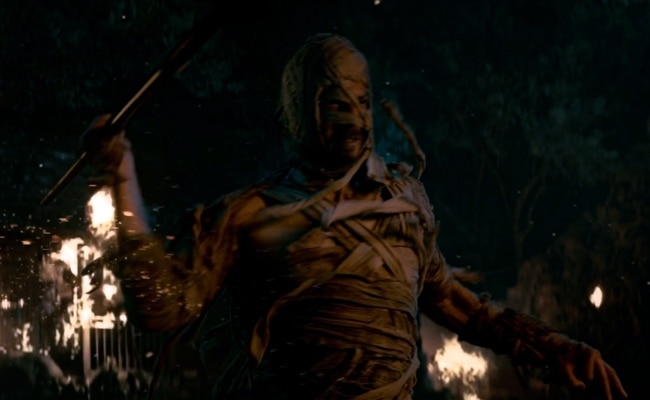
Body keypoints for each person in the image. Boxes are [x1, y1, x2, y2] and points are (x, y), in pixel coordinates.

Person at [83, 33, 627, 399]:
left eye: (359, 99)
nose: (349, 114)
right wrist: (122, 177)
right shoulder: (252, 215)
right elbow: (162, 304)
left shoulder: (405, 209)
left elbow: (463, 308)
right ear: (299, 110)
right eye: (332, 100)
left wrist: (557, 347)